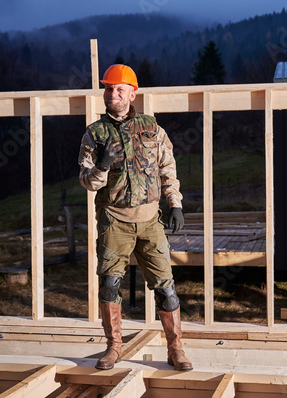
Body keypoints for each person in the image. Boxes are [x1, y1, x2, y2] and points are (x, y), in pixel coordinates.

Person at [78, 64, 192, 372]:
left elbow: (167, 166)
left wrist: (175, 203)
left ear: (132, 92)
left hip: (150, 220)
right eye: (107, 88)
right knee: (110, 285)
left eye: (118, 89)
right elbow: (88, 183)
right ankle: (113, 347)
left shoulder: (152, 128)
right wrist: (100, 166)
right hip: (114, 221)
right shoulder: (95, 133)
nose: (111, 94)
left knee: (165, 286)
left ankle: (176, 348)